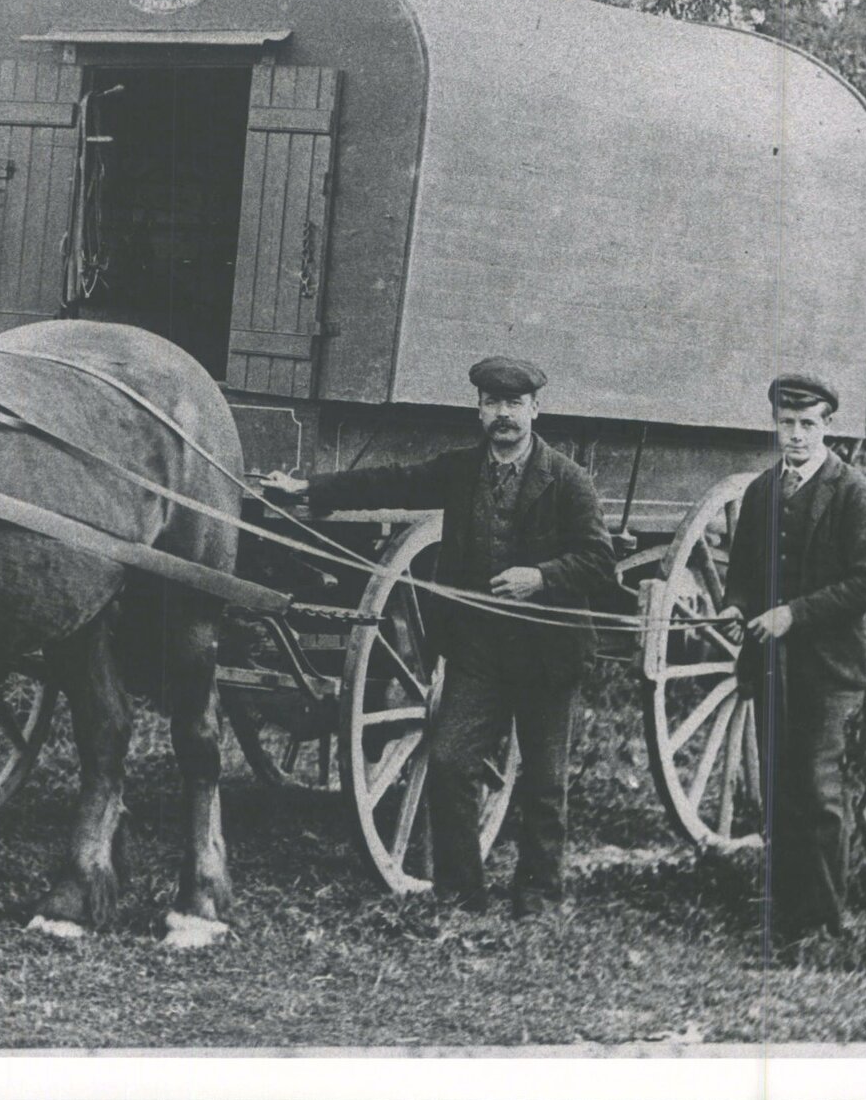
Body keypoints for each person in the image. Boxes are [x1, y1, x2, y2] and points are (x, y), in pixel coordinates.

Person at [261, 357, 615, 915]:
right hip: (480, 652)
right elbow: (390, 481)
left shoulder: (567, 480)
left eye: (514, 405)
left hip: (548, 653)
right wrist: (309, 486)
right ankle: (461, 891)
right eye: (493, 404)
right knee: (451, 762)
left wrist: (541, 577)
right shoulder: (461, 469)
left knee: (544, 783)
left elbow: (599, 561)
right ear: (479, 410)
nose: (503, 415)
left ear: (535, 410)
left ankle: (539, 896)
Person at [725, 373, 866, 950]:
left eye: (808, 425)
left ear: (827, 427)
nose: (795, 436)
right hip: (773, 668)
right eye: (786, 424)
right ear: (775, 423)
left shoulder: (853, 492)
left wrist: (793, 613)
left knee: (819, 793)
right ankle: (788, 919)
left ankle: (826, 925)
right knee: (782, 791)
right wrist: (735, 609)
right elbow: (741, 576)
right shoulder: (762, 492)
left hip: (831, 669)